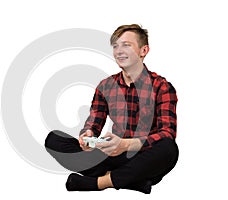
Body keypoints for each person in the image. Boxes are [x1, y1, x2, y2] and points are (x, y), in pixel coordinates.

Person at [44, 24, 179, 194]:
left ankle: (99, 183)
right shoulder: (106, 86)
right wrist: (88, 135)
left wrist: (126, 144)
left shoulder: (162, 87)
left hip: (143, 156)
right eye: (115, 46)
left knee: (168, 148)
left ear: (143, 51)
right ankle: (134, 182)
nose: (119, 51)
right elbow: (94, 122)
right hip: (111, 154)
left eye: (126, 45)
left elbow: (167, 133)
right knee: (54, 140)